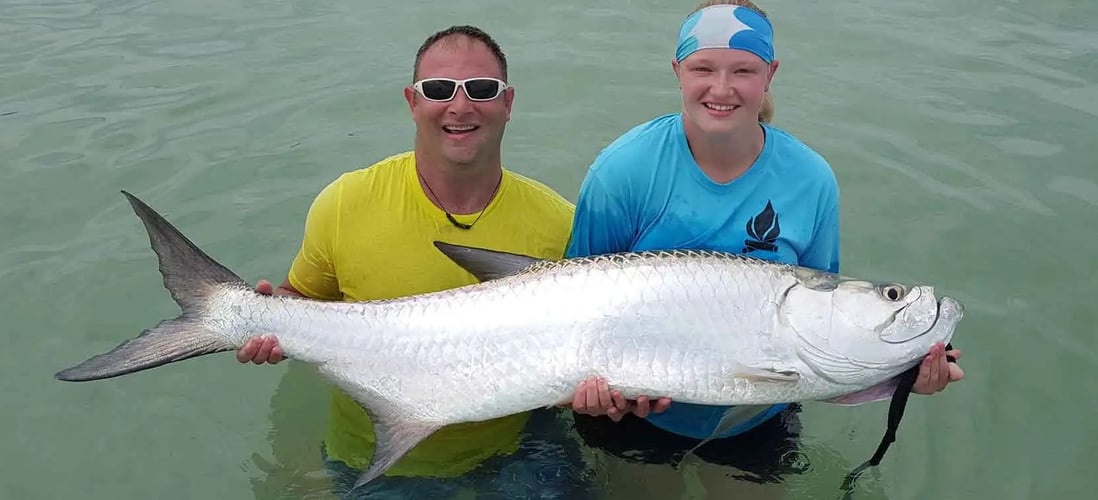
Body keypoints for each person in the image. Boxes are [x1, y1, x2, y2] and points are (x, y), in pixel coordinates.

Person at [563, 0, 965, 496]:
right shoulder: (621, 171)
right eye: (703, 68)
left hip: (757, 419)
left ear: (770, 74)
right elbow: (569, 312)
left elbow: (821, 336)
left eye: (744, 70)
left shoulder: (810, 180)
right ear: (677, 71)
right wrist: (591, 395)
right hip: (636, 421)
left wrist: (903, 374)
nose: (722, 88)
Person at [234, 25, 586, 499]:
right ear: (412, 101)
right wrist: (262, 320)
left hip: (517, 450)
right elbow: (301, 300)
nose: (459, 107)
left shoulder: (559, 222)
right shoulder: (346, 203)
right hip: (378, 462)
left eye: (481, 90)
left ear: (508, 103)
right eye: (439, 90)